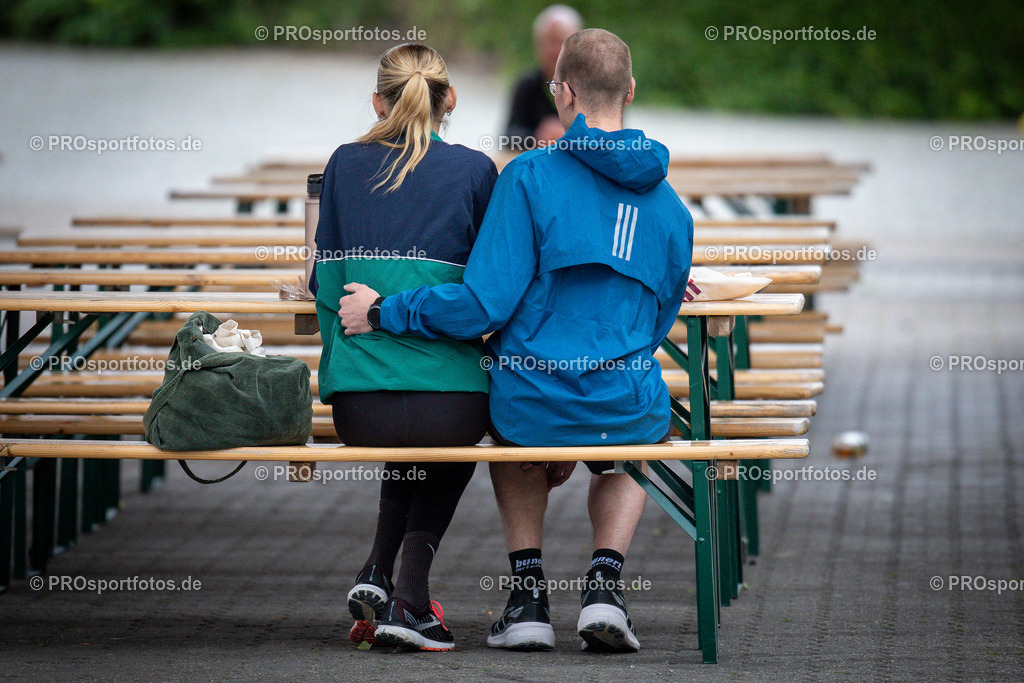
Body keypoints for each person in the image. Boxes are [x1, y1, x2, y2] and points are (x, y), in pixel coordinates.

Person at [339, 29, 694, 653]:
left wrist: (390, 311)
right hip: (621, 399)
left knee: (512, 414)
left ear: (563, 92)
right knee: (640, 432)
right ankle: (605, 588)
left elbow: (485, 304)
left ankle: (528, 598)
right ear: (631, 91)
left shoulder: (527, 178)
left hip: (531, 398)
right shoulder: (671, 208)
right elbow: (660, 318)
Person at [310, 43, 497, 652]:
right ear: (450, 102)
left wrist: (377, 309)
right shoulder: (475, 172)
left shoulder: (340, 164)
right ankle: (411, 598)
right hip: (455, 406)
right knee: (446, 437)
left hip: (359, 409)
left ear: (376, 102)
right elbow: (487, 299)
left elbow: (322, 284)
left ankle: (377, 572)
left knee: (408, 422)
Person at [502, 4, 582, 150]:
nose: (553, 50)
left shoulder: (595, 84)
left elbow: (612, 137)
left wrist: (571, 135)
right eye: (547, 42)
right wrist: (538, 137)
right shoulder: (526, 86)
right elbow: (507, 138)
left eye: (559, 41)